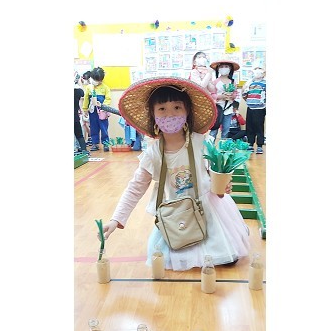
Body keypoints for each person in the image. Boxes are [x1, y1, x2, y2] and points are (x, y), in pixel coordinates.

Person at [99, 76, 251, 271]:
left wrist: (222, 187)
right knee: (173, 257)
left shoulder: (200, 142)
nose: (170, 114)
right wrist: (116, 219)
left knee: (227, 257)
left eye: (177, 107)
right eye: (162, 109)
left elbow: (214, 175)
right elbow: (135, 187)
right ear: (153, 115)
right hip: (176, 218)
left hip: (208, 210)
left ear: (187, 111)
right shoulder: (153, 154)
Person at [207, 59, 240, 141]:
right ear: (218, 69)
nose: (224, 68)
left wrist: (231, 96)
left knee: (226, 130)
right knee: (214, 129)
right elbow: (212, 94)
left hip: (228, 109)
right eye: (222, 66)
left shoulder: (232, 82)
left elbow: (235, 93)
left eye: (226, 66)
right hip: (218, 108)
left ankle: (222, 146)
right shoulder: (215, 82)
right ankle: (210, 146)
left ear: (230, 69)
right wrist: (221, 96)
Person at [82, 67, 112, 152]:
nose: (94, 81)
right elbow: (86, 99)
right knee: (93, 127)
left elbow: (108, 99)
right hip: (92, 112)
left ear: (101, 80)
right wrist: (85, 109)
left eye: (97, 80)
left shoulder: (105, 88)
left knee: (104, 127)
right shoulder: (89, 87)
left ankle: (106, 143)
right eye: (93, 79)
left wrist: (103, 106)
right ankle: (95, 143)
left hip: (102, 112)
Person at [241, 59, 266, 154]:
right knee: (250, 126)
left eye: (260, 68)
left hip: (260, 108)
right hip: (250, 108)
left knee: (259, 126)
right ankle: (250, 143)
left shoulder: (265, 83)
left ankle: (259, 145)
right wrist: (247, 99)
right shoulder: (249, 82)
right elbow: (244, 94)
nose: (257, 71)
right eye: (256, 69)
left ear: (264, 71)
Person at [74, 73, 88, 154]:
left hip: (75, 116)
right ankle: (84, 150)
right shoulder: (77, 91)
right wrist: (80, 83)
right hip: (75, 117)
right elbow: (83, 93)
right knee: (79, 134)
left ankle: (78, 149)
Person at [79, 71, 92, 146]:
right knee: (84, 124)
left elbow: (84, 96)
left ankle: (91, 138)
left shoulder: (89, 87)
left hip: (88, 108)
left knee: (87, 124)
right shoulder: (84, 86)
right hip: (83, 108)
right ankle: (87, 139)